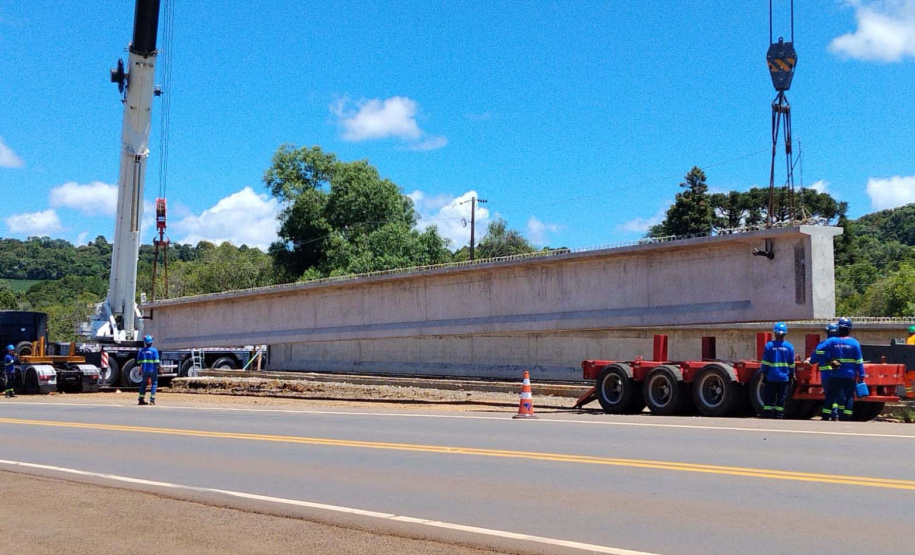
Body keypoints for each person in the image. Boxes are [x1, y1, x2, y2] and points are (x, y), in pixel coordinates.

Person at [823, 317, 865, 421]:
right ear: (850, 330)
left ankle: (825, 415)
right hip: (850, 375)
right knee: (849, 396)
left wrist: (830, 361)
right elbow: (859, 361)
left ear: (838, 328)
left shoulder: (832, 341)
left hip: (836, 374)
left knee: (831, 396)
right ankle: (846, 416)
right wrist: (862, 375)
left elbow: (821, 351)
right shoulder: (854, 343)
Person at [761, 322, 795, 419]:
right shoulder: (789, 347)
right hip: (784, 377)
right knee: (781, 397)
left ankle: (767, 414)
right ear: (785, 333)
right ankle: (779, 415)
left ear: (775, 333)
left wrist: (763, 374)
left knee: (769, 397)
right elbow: (791, 363)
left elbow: (765, 362)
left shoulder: (769, 346)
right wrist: (792, 375)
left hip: (771, 376)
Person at [811, 323, 838, 420]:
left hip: (826, 375)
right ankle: (835, 414)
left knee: (829, 395)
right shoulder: (841, 345)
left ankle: (829, 414)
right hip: (838, 374)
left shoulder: (822, 345)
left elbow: (813, 359)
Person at [137, 335, 160, 406]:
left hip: (145, 370)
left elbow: (138, 361)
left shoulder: (141, 350)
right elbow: (156, 361)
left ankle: (141, 400)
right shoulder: (154, 350)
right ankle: (152, 401)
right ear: (151, 342)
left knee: (143, 384)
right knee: (154, 384)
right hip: (153, 370)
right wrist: (160, 368)